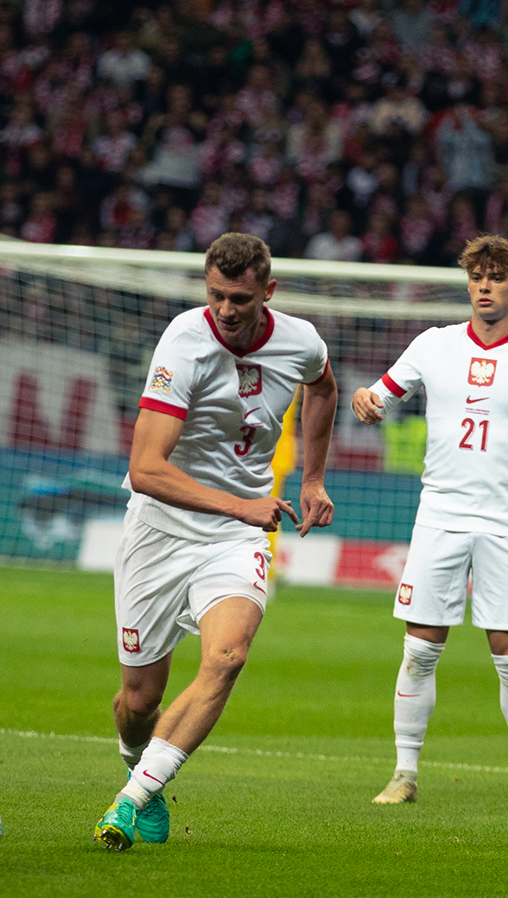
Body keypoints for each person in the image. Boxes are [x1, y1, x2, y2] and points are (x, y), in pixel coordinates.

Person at [94, 233, 338, 852]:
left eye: (240, 298)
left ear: (268, 293)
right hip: (160, 528)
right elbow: (147, 468)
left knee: (228, 657)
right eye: (216, 295)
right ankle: (134, 759)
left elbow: (324, 386)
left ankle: (134, 797)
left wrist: (311, 477)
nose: (226, 309)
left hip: (236, 535)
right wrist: (243, 503)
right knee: (138, 700)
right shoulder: (184, 343)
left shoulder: (300, 340)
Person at [351, 235, 508, 814]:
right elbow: (381, 394)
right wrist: (365, 399)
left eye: (497, 277)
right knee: (420, 649)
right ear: (468, 282)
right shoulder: (433, 345)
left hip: (505, 522)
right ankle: (404, 773)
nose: (485, 286)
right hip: (440, 517)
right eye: (477, 276)